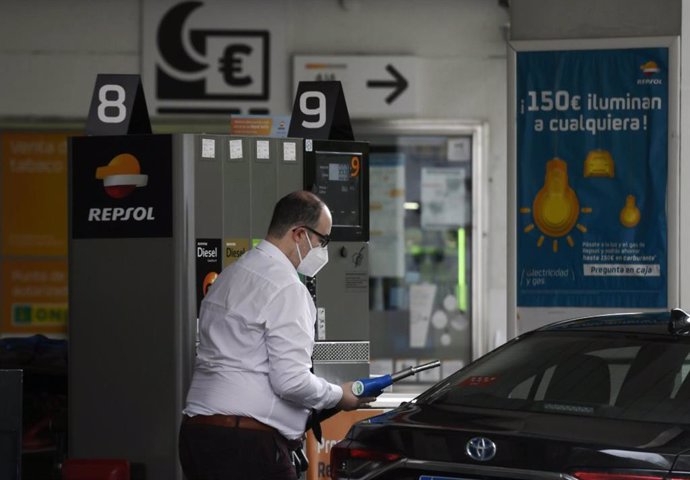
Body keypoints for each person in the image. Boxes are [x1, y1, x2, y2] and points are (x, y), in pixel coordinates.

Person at [179, 190, 374, 480]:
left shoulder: (231, 275)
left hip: (199, 436)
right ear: (299, 234)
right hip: (246, 446)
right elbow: (291, 381)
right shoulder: (287, 288)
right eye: (322, 241)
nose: (323, 251)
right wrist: (339, 396)